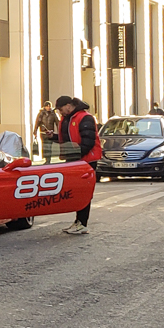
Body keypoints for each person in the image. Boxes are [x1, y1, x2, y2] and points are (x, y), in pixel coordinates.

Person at [55, 95, 102, 235]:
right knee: (76, 191)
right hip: (76, 159)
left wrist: (77, 155)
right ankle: (78, 222)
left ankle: (82, 223)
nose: (60, 113)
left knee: (83, 192)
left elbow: (88, 141)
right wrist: (53, 136)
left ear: (68, 106)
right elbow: (68, 137)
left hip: (86, 160)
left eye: (61, 109)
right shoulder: (69, 118)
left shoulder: (84, 118)